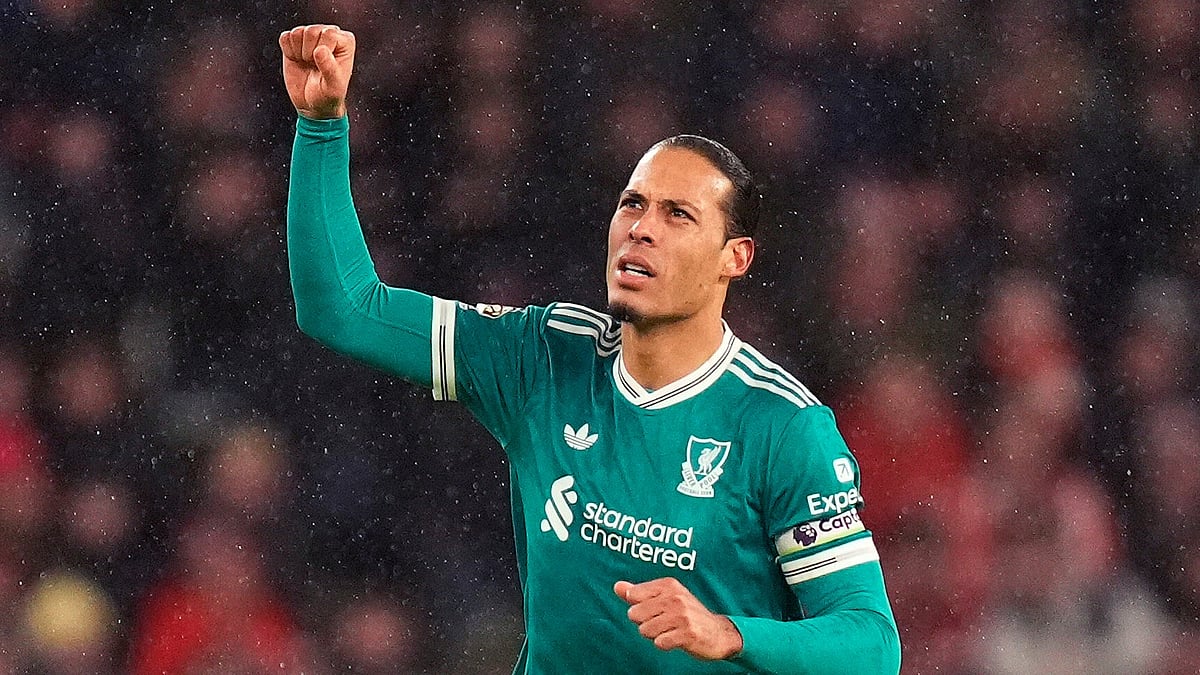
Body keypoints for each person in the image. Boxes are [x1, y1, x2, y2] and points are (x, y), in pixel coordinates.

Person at [279, 24, 900, 674]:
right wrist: (321, 126)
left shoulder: (782, 427)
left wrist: (727, 632)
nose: (641, 228)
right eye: (633, 204)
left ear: (734, 258)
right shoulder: (545, 355)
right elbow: (345, 308)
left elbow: (871, 646)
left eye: (677, 215)